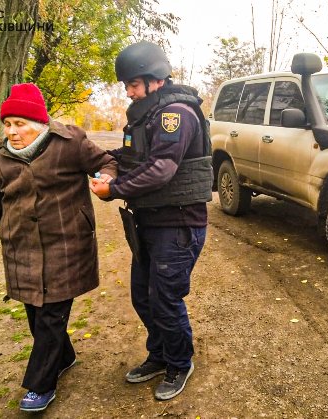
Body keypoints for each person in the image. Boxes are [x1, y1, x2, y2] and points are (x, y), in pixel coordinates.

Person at [0, 83, 117, 412]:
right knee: (35, 312)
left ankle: (40, 384)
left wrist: (105, 179)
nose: (12, 132)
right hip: (21, 246)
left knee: (50, 315)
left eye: (20, 124)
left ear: (39, 124)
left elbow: (106, 162)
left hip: (66, 243)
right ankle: (65, 356)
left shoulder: (70, 142)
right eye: (7, 124)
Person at [90, 41, 212, 401]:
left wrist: (114, 190)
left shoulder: (177, 114)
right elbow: (127, 156)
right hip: (150, 223)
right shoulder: (144, 117)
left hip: (178, 224)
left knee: (164, 298)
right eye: (127, 85)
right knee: (143, 297)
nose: (128, 91)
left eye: (132, 84)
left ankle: (179, 362)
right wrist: (98, 162)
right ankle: (159, 355)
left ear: (154, 78)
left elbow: (162, 168)